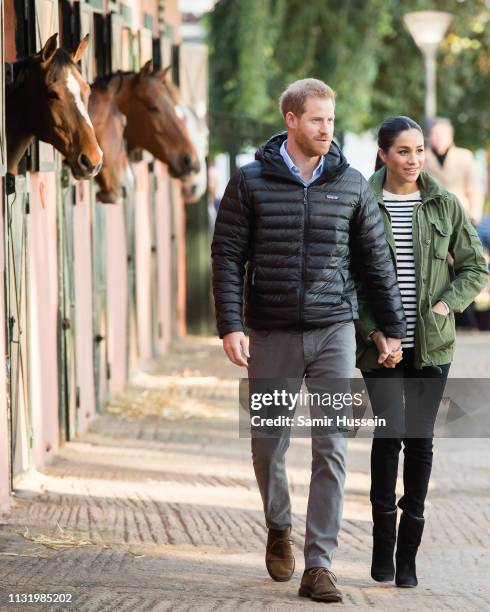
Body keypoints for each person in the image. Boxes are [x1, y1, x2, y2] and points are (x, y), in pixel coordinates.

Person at [211, 79, 406, 603]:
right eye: (317, 119)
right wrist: (231, 324)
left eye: (331, 120)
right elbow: (227, 256)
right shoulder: (249, 183)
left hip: (334, 332)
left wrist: (392, 328)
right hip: (270, 332)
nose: (327, 129)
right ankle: (279, 526)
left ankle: (320, 565)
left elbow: (375, 261)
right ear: (291, 120)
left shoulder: (352, 184)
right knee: (267, 445)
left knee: (332, 447)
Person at [356, 116, 488, 589]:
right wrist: (375, 335)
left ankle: (409, 554)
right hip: (381, 348)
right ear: (383, 154)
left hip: (433, 345)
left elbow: (475, 268)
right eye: (403, 152)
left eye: (418, 151)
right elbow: (351, 282)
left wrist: (442, 305)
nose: (413, 161)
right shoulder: (363, 203)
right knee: (388, 437)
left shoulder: (444, 204)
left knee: (421, 440)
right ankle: (381, 548)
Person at [425, 117, 484, 226]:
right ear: (429, 136)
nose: (439, 137)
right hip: (430, 219)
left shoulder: (465, 156)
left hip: (462, 218)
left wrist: (475, 215)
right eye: (435, 133)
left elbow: (474, 188)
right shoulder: (422, 159)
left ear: (451, 136)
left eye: (443, 133)